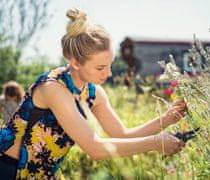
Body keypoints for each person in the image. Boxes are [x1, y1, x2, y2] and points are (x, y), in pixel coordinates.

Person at [0, 8, 187, 179]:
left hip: (40, 174)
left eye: (110, 65)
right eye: (100, 67)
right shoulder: (54, 89)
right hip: (8, 167)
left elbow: (122, 135)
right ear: (75, 62)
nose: (109, 73)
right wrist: (155, 143)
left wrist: (167, 119)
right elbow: (95, 149)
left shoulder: (93, 93)